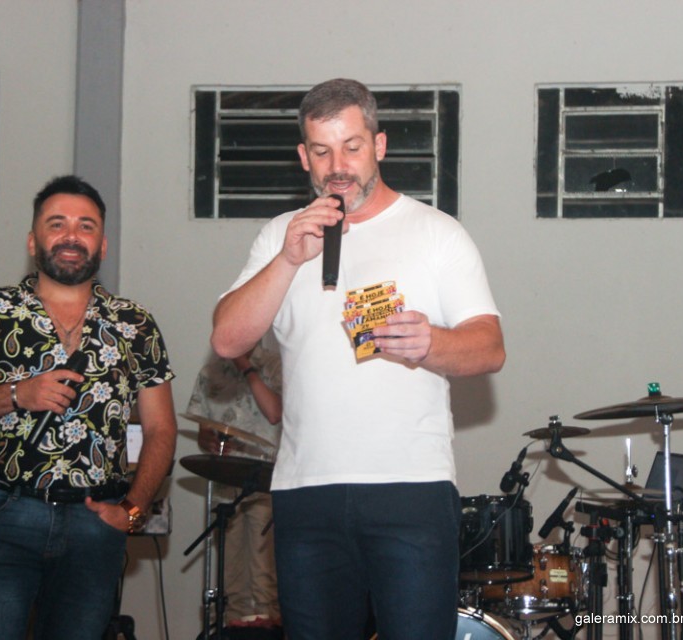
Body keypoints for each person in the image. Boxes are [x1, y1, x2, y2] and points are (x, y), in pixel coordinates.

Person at [210, 78, 505, 640]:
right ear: (304, 157)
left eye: (351, 147)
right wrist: (288, 259)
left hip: (410, 486)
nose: (337, 166)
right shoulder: (279, 236)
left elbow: (490, 347)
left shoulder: (436, 233)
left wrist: (431, 342)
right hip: (305, 491)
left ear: (379, 145)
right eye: (322, 151)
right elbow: (227, 339)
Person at [0, 175, 177, 640]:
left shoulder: (135, 323)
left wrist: (133, 511)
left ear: (103, 245)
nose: (71, 235)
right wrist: (15, 394)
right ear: (32, 240)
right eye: (57, 224)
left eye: (86, 226)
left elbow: (162, 429)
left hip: (96, 521)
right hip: (1, 514)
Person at [187, 340, 283, 638]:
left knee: (264, 572)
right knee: (230, 575)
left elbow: (275, 413)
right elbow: (203, 427)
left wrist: (246, 367)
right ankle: (233, 629)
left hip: (265, 481)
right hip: (226, 484)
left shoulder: (275, 365)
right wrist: (207, 440)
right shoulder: (210, 372)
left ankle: (267, 630)